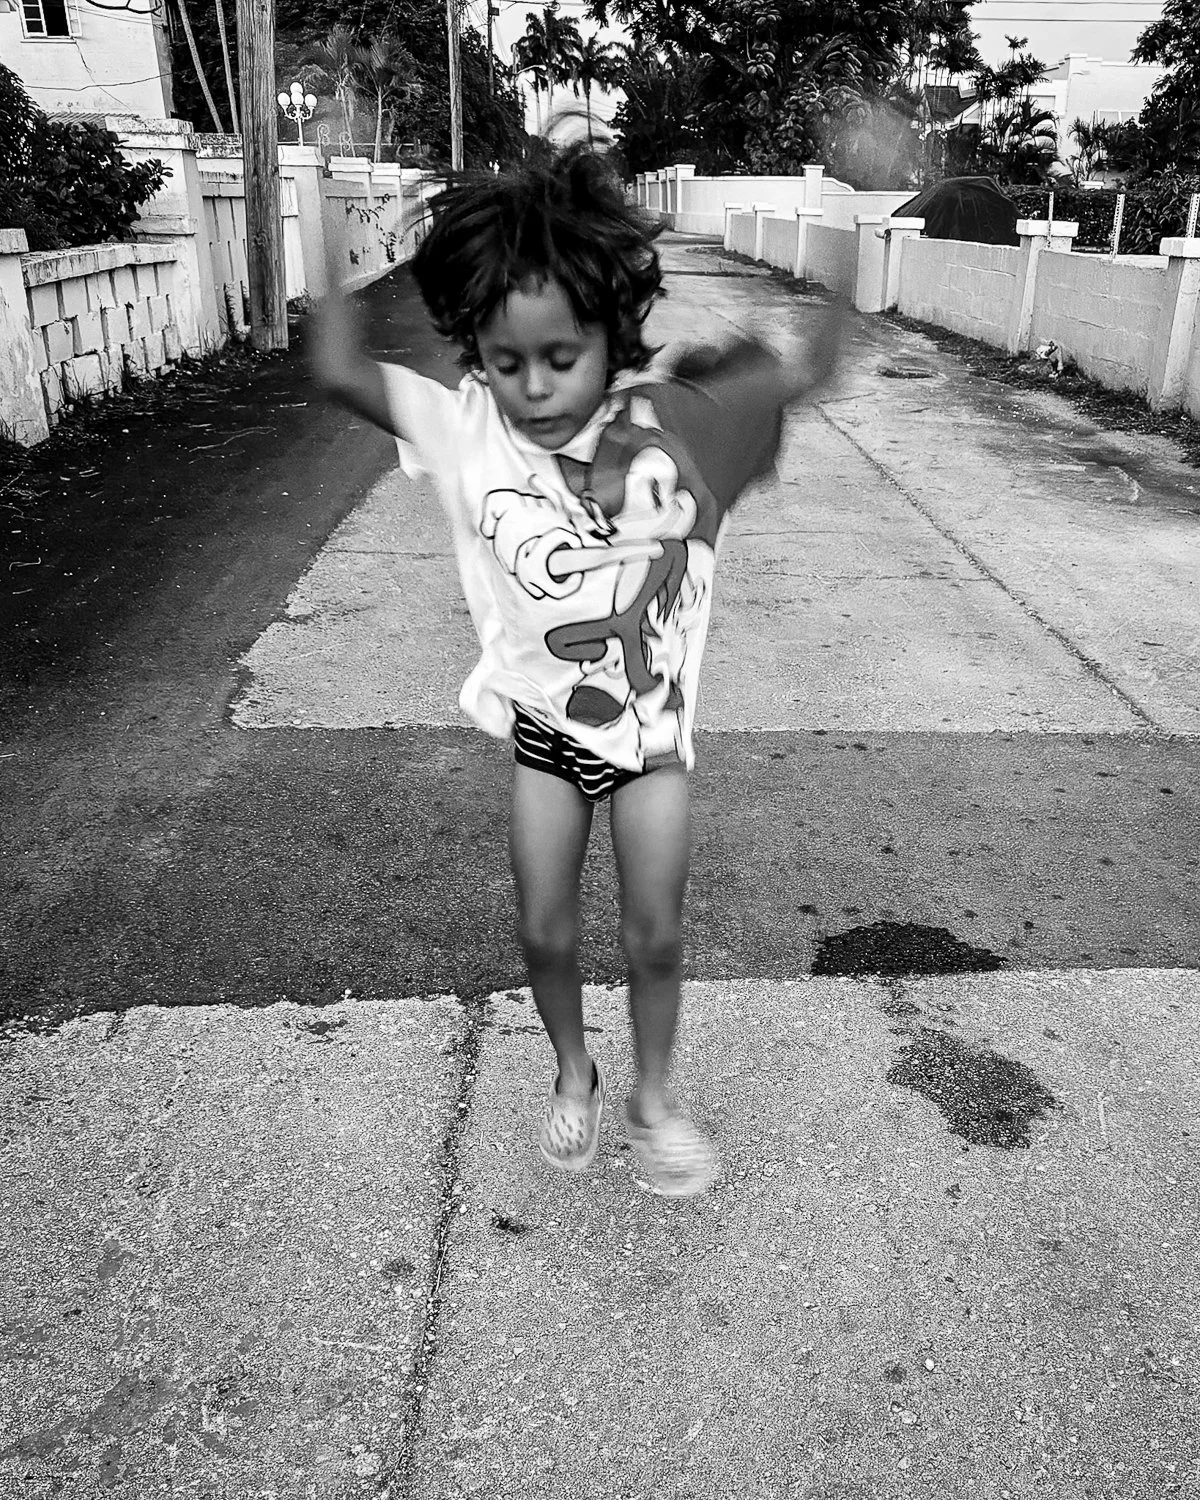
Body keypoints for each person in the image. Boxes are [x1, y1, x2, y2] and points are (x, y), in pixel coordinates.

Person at [312, 147, 845, 1197]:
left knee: (655, 935)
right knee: (544, 929)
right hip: (546, 745)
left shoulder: (682, 429)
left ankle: (654, 1096)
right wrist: (328, 233)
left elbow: (811, 367)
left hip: (651, 748)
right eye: (506, 363)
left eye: (562, 356)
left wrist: (844, 237)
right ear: (475, 355)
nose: (535, 385)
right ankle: (575, 1071)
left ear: (612, 335)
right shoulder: (466, 433)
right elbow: (334, 369)